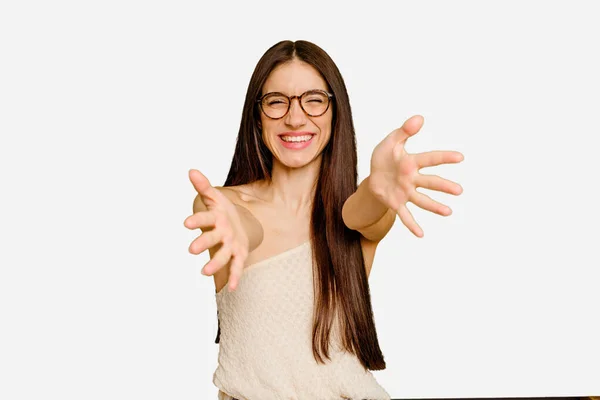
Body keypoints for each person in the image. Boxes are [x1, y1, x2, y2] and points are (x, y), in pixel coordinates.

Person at [184, 40, 464, 400]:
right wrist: (237, 230)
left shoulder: (363, 208)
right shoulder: (221, 206)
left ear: (335, 112)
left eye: (314, 100)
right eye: (276, 101)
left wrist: (377, 191)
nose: (295, 117)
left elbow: (358, 214)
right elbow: (246, 228)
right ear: (256, 115)